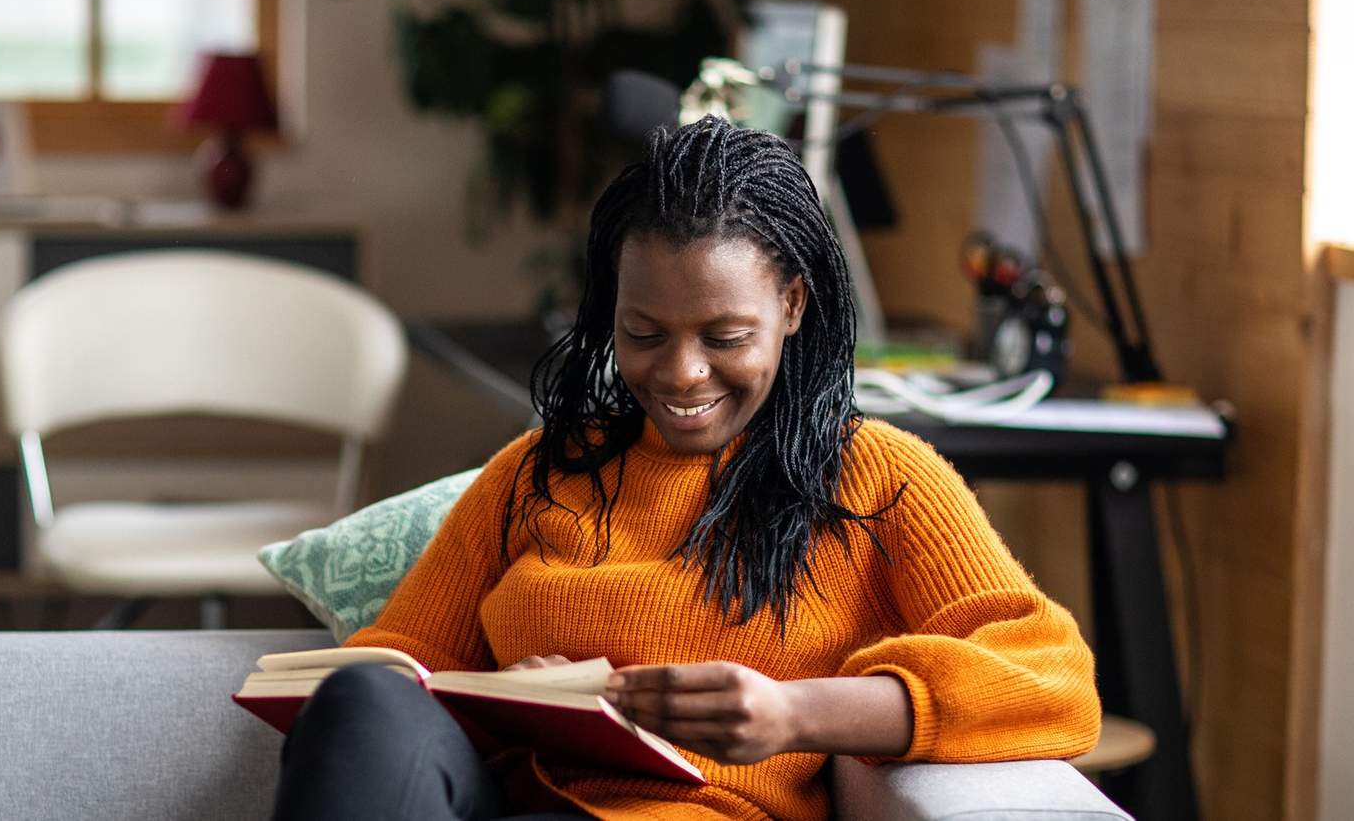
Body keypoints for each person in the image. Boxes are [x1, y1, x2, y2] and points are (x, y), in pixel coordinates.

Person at [270, 116, 1101, 821]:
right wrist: (499, 696)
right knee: (364, 699)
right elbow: (398, 665)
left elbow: (1053, 679)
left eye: (725, 338)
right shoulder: (536, 472)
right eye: (644, 333)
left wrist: (792, 713)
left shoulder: (877, 477)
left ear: (793, 305)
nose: (681, 373)